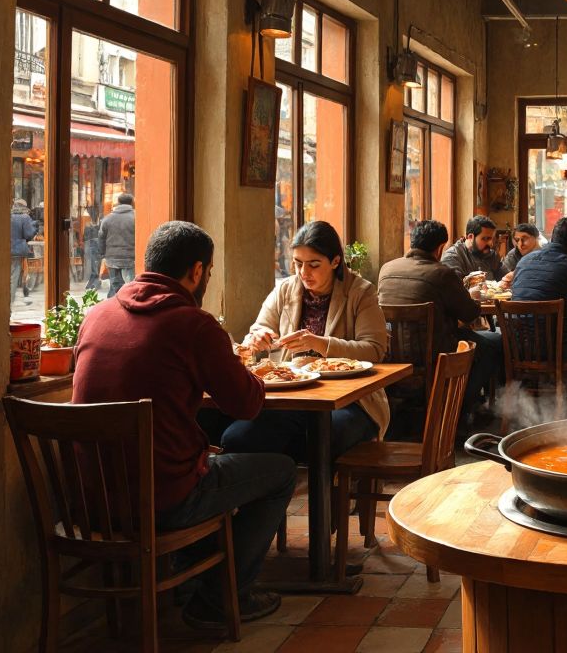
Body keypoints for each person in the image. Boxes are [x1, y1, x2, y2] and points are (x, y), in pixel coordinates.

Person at [73, 221, 293, 628]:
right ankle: (219, 597)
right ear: (196, 272)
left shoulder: (97, 315)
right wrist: (249, 370)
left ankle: (191, 567)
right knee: (280, 472)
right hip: (163, 499)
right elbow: (246, 404)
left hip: (89, 500)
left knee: (213, 454)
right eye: (208, 272)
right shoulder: (194, 325)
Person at [224, 221, 389, 460]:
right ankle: (274, 487)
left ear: (335, 261)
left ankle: (315, 492)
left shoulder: (360, 292)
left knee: (323, 438)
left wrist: (320, 344)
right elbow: (259, 328)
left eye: (313, 265)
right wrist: (256, 338)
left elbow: (374, 350)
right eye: (297, 263)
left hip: (352, 401)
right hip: (293, 397)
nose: (303, 273)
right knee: (238, 438)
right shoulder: (285, 290)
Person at [377, 220, 502, 429]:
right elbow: (470, 313)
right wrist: (471, 296)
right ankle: (458, 408)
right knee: (494, 344)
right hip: (436, 356)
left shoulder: (386, 269)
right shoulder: (441, 273)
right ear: (439, 248)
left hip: (391, 356)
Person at [510, 216, 567, 369]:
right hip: (558, 349)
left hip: (519, 347)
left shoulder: (524, 261)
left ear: (553, 237)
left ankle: (534, 389)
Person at [442, 215, 505, 282]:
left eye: (492, 239)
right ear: (470, 237)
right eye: (485, 239)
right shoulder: (452, 256)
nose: (491, 244)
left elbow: (503, 277)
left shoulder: (492, 255)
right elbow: (455, 287)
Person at [100, 192, 137, 295]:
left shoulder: (107, 218)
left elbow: (101, 238)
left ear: (118, 203)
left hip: (112, 258)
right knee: (131, 288)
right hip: (130, 258)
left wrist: (103, 254)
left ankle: (112, 308)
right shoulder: (136, 217)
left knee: (115, 287)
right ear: (131, 203)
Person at [10, 197, 37, 300]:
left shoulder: (8, 216)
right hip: (17, 251)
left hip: (4, 250)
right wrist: (34, 226)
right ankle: (10, 302)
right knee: (14, 276)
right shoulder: (25, 217)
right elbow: (28, 234)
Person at [82, 207, 104, 291]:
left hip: (98, 248)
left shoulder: (99, 225)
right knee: (94, 266)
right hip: (92, 248)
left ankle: (95, 282)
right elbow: (85, 238)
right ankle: (94, 283)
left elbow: (85, 238)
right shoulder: (89, 226)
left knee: (96, 266)